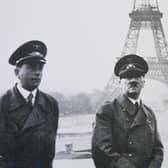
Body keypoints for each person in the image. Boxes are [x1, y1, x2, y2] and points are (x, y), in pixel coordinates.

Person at [92, 54, 163, 168]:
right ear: (120, 82)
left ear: (143, 82)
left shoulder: (150, 114)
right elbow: (102, 151)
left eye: (137, 76)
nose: (133, 80)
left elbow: (157, 150)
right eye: (128, 77)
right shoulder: (106, 111)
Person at [0, 40, 59, 168]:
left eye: (40, 68)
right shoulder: (2, 104)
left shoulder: (51, 104)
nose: (37, 72)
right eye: (31, 67)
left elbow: (49, 154)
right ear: (17, 73)